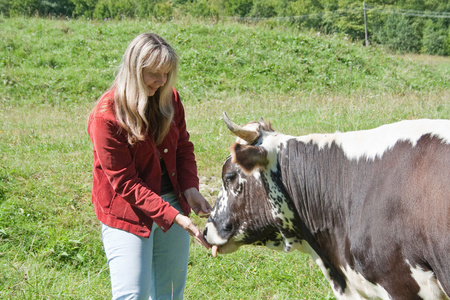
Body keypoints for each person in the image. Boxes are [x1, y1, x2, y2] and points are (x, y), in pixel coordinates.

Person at [87, 33, 212, 300]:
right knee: (133, 296)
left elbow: (183, 147)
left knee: (169, 294)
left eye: (167, 73)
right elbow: (125, 183)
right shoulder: (106, 116)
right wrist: (175, 217)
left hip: (173, 203)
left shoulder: (170, 99)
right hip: (128, 214)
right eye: (154, 73)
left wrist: (190, 188)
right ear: (134, 70)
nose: (162, 81)